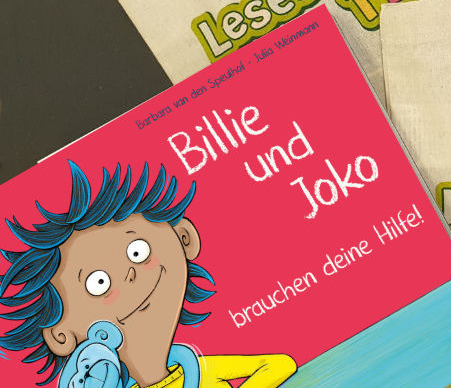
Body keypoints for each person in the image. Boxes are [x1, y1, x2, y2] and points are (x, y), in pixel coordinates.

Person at [0, 162, 296, 388]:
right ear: (60, 335)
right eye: (98, 283)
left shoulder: (199, 369)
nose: (130, 275)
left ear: (184, 238)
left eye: (138, 252)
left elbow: (280, 364)